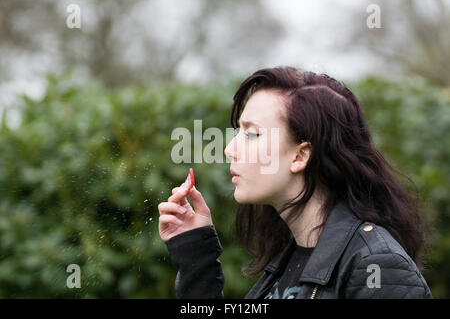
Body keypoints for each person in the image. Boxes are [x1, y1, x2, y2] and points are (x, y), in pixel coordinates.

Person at [158, 66, 433, 299]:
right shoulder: (291, 256)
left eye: (252, 134)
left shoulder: (377, 267)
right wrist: (196, 257)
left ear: (300, 155)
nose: (230, 149)